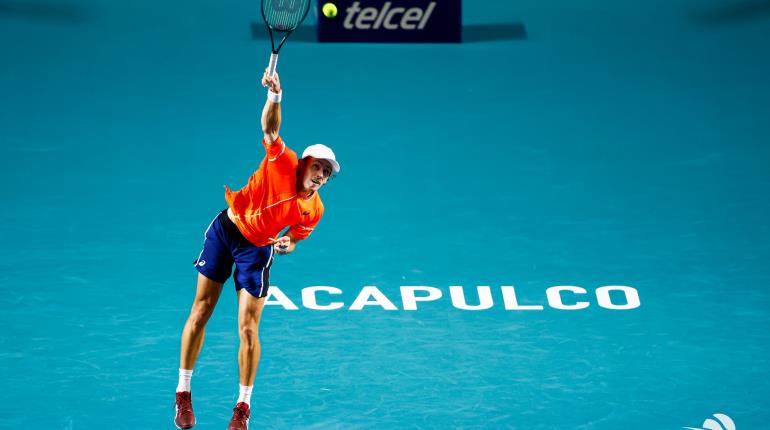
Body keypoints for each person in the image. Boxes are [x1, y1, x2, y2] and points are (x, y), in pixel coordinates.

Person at [174, 70, 340, 430]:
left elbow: (296, 238)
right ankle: (183, 392)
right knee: (201, 310)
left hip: (257, 251)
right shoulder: (282, 160)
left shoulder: (315, 209)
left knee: (248, 329)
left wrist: (288, 244)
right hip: (227, 231)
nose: (321, 175)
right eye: (318, 167)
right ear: (304, 163)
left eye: (327, 173)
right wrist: (275, 97)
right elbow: (269, 129)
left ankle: (242, 407)